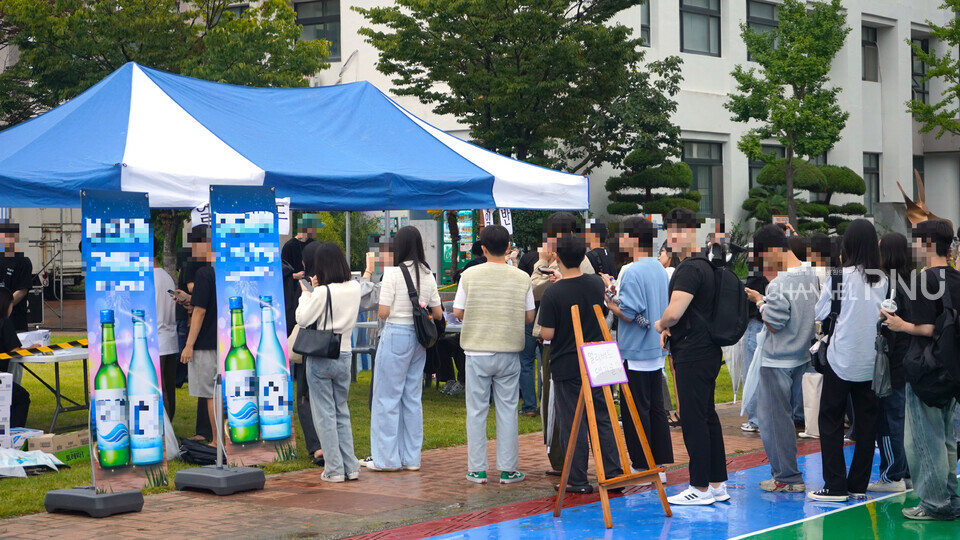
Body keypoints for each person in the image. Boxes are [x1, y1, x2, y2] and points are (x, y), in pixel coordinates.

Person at [883, 219, 960, 520]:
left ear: (927, 244)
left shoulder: (920, 281)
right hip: (952, 369)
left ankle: (934, 503)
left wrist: (899, 324)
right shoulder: (956, 278)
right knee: (946, 438)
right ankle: (950, 496)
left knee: (923, 440)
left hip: (924, 370)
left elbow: (929, 327)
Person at [654, 207, 729, 506]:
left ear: (690, 233)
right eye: (670, 231)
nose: (672, 237)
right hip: (707, 350)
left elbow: (674, 312)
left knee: (695, 419)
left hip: (693, 353)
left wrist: (662, 324)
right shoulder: (707, 266)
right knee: (707, 416)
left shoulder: (689, 269)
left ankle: (699, 486)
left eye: (677, 232)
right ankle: (716, 483)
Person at [808, 219, 885, 502]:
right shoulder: (883, 279)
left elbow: (820, 311)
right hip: (871, 362)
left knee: (830, 420)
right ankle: (857, 485)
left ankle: (835, 485)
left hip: (841, 359)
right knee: (866, 425)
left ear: (848, 245)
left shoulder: (840, 277)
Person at [540, 233, 622, 493]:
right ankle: (613, 473)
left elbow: (547, 333)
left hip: (568, 361)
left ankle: (577, 478)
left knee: (572, 421)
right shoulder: (595, 284)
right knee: (603, 417)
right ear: (584, 257)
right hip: (599, 357)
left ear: (558, 258)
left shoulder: (554, 292)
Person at [453, 225, 535, 485]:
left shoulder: (469, 275)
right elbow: (529, 316)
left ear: (483, 248)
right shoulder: (522, 277)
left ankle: (476, 469)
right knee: (508, 409)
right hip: (509, 350)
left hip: (477, 350)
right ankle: (508, 469)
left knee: (476, 410)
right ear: (509, 247)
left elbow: (458, 311)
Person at [745, 225, 819, 493]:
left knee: (775, 422)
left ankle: (786, 476)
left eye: (765, 257)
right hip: (801, 355)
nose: (766, 263)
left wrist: (760, 301)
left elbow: (775, 323)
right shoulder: (810, 273)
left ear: (773, 250)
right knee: (787, 418)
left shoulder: (779, 283)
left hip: (777, 358)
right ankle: (788, 474)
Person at [364, 226, 442, 472]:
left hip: (395, 333)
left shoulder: (393, 273)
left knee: (386, 398)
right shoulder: (428, 275)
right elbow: (437, 312)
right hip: (419, 339)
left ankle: (386, 459)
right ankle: (411, 458)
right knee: (411, 398)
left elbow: (384, 311)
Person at [605, 216, 673, 476]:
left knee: (635, 410)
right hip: (656, 348)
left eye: (623, 234)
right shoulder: (658, 268)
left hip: (636, 348)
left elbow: (629, 312)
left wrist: (611, 302)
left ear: (632, 238)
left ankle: (642, 465)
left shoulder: (633, 270)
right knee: (656, 408)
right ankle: (659, 463)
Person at [531, 212, 595, 474]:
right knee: (557, 404)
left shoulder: (580, 263)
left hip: (562, 341)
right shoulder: (559, 262)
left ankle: (566, 463)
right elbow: (534, 288)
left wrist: (545, 269)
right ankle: (565, 460)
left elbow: (535, 290)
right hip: (578, 342)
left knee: (562, 405)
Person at [296, 242, 362, 483]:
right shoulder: (354, 287)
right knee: (341, 410)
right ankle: (350, 466)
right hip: (344, 353)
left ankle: (334, 469)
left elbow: (303, 318)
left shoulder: (323, 292)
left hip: (321, 356)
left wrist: (306, 295)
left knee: (324, 414)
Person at [869, 232, 912, 493]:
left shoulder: (891, 287)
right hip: (910, 363)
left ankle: (891, 475)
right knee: (904, 422)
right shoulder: (912, 281)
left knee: (888, 421)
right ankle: (905, 473)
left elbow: (888, 328)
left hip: (893, 365)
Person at [178, 225, 219, 444]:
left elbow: (201, 311)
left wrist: (189, 344)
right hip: (228, 340)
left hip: (206, 342)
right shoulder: (227, 270)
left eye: (195, 244)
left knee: (211, 393)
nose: (193, 249)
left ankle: (215, 440)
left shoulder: (204, 273)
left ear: (206, 244)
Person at [297, 241, 324, 465]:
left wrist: (305, 294)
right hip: (333, 348)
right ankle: (327, 444)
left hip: (311, 346)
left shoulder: (308, 284)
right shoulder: (337, 283)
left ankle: (317, 446)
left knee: (304, 397)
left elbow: (302, 318)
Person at [0, 287, 30, 427]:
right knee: (22, 397)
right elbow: (15, 351)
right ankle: (15, 432)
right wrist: (32, 349)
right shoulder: (4, 322)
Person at [153, 264, 179, 419]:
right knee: (168, 388)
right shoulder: (167, 276)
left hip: (156, 339)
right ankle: (169, 427)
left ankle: (166, 432)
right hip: (169, 338)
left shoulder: (149, 278)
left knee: (159, 390)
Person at [0, 221, 32, 332]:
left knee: (16, 348)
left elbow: (22, 290)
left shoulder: (23, 262)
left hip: (16, 319)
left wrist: (5, 307)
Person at [281, 214, 318, 279]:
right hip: (295, 285)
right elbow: (282, 270)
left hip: (311, 282)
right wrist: (295, 276)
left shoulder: (313, 244)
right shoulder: (289, 246)